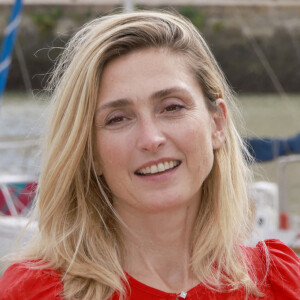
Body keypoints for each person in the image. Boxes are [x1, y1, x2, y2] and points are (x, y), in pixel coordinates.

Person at [0, 10, 299, 300]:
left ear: (217, 124)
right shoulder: (33, 293)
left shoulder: (279, 281)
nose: (151, 139)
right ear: (90, 152)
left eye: (172, 107)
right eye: (118, 118)